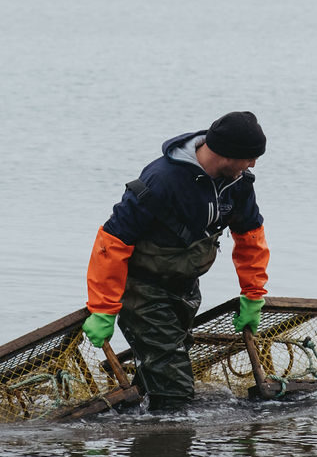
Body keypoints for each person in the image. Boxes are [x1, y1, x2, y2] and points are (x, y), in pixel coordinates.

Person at [82, 111, 270, 408]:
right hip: (142, 291)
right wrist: (103, 309)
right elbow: (112, 242)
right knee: (175, 389)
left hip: (185, 287)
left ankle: (136, 426)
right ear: (229, 154)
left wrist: (253, 294)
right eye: (249, 157)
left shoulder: (239, 183)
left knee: (163, 368)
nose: (253, 164)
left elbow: (250, 236)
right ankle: (166, 443)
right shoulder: (162, 180)